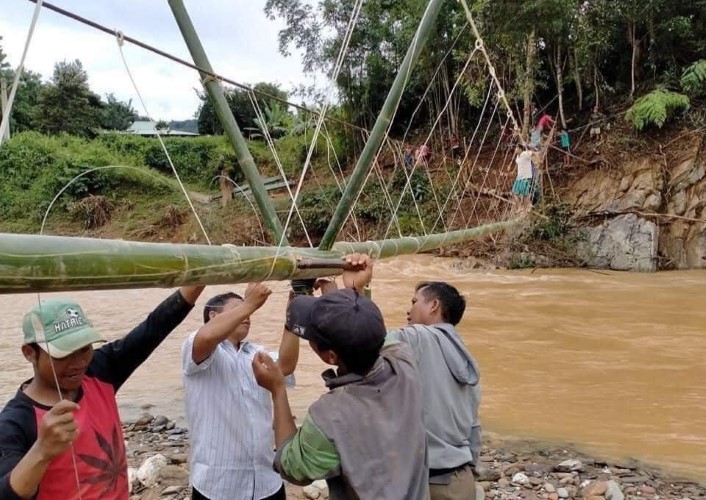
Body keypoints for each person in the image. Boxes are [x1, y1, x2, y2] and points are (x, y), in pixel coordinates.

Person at [0, 285, 204, 499]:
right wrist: (42, 450)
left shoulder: (99, 370)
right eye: (63, 354)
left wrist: (200, 280)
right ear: (29, 353)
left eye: (84, 349)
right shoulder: (15, 422)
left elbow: (153, 329)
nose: (79, 363)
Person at [251, 255, 429, 499]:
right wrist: (355, 292)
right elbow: (370, 332)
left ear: (331, 356)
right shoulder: (403, 360)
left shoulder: (329, 416)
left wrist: (278, 390)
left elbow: (291, 466)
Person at [182, 284, 300, 500]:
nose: (247, 315)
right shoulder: (200, 348)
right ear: (213, 315)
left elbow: (286, 365)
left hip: (267, 482)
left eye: (247, 311)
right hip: (217, 487)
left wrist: (293, 314)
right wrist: (249, 304)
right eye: (238, 309)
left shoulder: (255, 352)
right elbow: (206, 338)